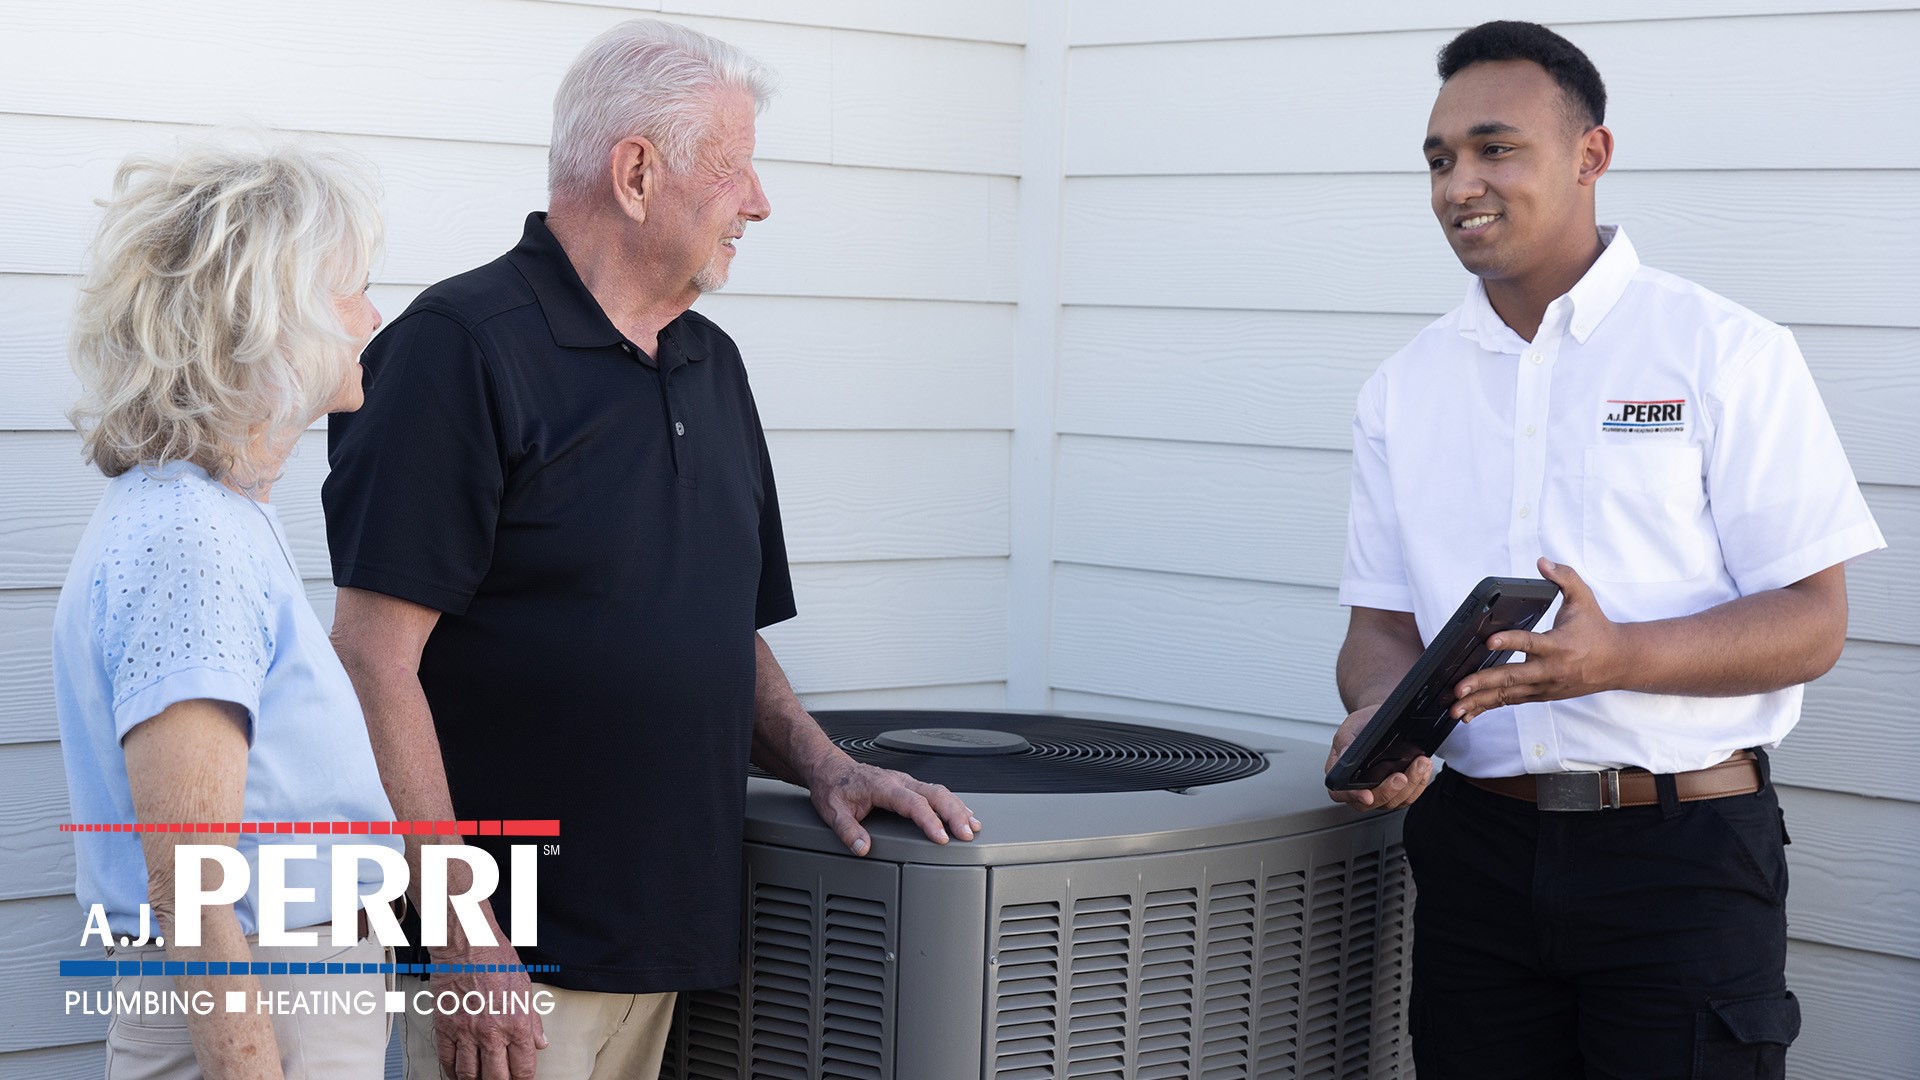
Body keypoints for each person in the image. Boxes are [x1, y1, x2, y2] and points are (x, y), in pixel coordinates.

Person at [321, 19, 981, 1080]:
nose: (759, 201)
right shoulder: (459, 350)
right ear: (635, 173)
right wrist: (463, 934)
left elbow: (715, 630)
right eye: (734, 168)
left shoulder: (712, 364)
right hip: (514, 969)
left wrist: (827, 765)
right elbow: (371, 658)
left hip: (673, 949)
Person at [1324, 20, 1885, 1080]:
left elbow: (1813, 623)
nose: (1459, 185)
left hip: (1681, 858)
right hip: (1474, 856)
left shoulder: (1725, 351)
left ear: (1592, 155)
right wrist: (1383, 721)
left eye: (1495, 149)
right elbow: (1380, 627)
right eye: (1439, 159)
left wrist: (1617, 656)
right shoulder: (1403, 389)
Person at [54, 143, 398, 1078]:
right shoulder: (189, 538)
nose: (374, 318)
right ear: (273, 319)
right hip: (266, 997)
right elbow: (193, 885)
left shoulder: (215, 512)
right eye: (354, 292)